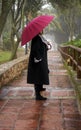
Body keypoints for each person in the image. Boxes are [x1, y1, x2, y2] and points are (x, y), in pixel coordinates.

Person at [27, 30, 52, 100]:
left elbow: (41, 47)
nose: (42, 30)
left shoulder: (40, 37)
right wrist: (38, 58)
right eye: (40, 29)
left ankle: (40, 88)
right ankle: (38, 95)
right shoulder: (36, 37)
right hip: (38, 61)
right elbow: (35, 49)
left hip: (41, 60)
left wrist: (46, 46)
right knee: (37, 77)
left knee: (40, 75)